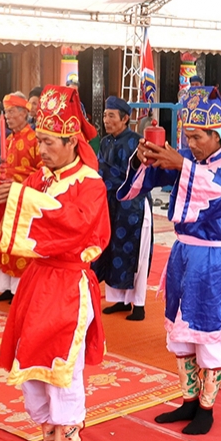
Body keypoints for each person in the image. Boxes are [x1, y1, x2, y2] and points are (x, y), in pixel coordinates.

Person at [0, 85, 109, 441]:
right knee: (33, 359)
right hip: (38, 281)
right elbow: (22, 215)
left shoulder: (90, 184)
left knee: (62, 368)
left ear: (72, 141)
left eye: (49, 142)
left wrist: (19, 196)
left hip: (69, 283)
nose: (41, 149)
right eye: (39, 140)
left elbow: (71, 225)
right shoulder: (40, 178)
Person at [119, 86, 221, 436]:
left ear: (216, 133)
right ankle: (188, 400)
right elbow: (155, 177)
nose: (191, 144)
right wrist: (150, 158)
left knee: (206, 332)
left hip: (212, 258)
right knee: (180, 331)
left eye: (197, 137)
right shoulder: (195, 163)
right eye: (187, 137)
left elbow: (219, 195)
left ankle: (206, 408)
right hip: (182, 253)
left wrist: (182, 165)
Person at [0, 92, 41, 302]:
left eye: (12, 112)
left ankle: (19, 289)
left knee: (19, 243)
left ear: (24, 113)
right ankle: (5, 286)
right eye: (7, 112)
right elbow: (3, 168)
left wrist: (19, 183)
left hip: (23, 198)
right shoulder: (9, 139)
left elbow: (42, 172)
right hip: (6, 200)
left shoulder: (35, 139)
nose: (8, 116)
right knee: (3, 240)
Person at [94, 96, 152, 322]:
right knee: (114, 250)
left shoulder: (137, 143)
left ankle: (139, 305)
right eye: (105, 115)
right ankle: (119, 299)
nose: (107, 120)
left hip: (134, 207)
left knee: (136, 255)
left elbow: (138, 175)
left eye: (111, 116)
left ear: (125, 118)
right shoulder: (106, 141)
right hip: (112, 204)